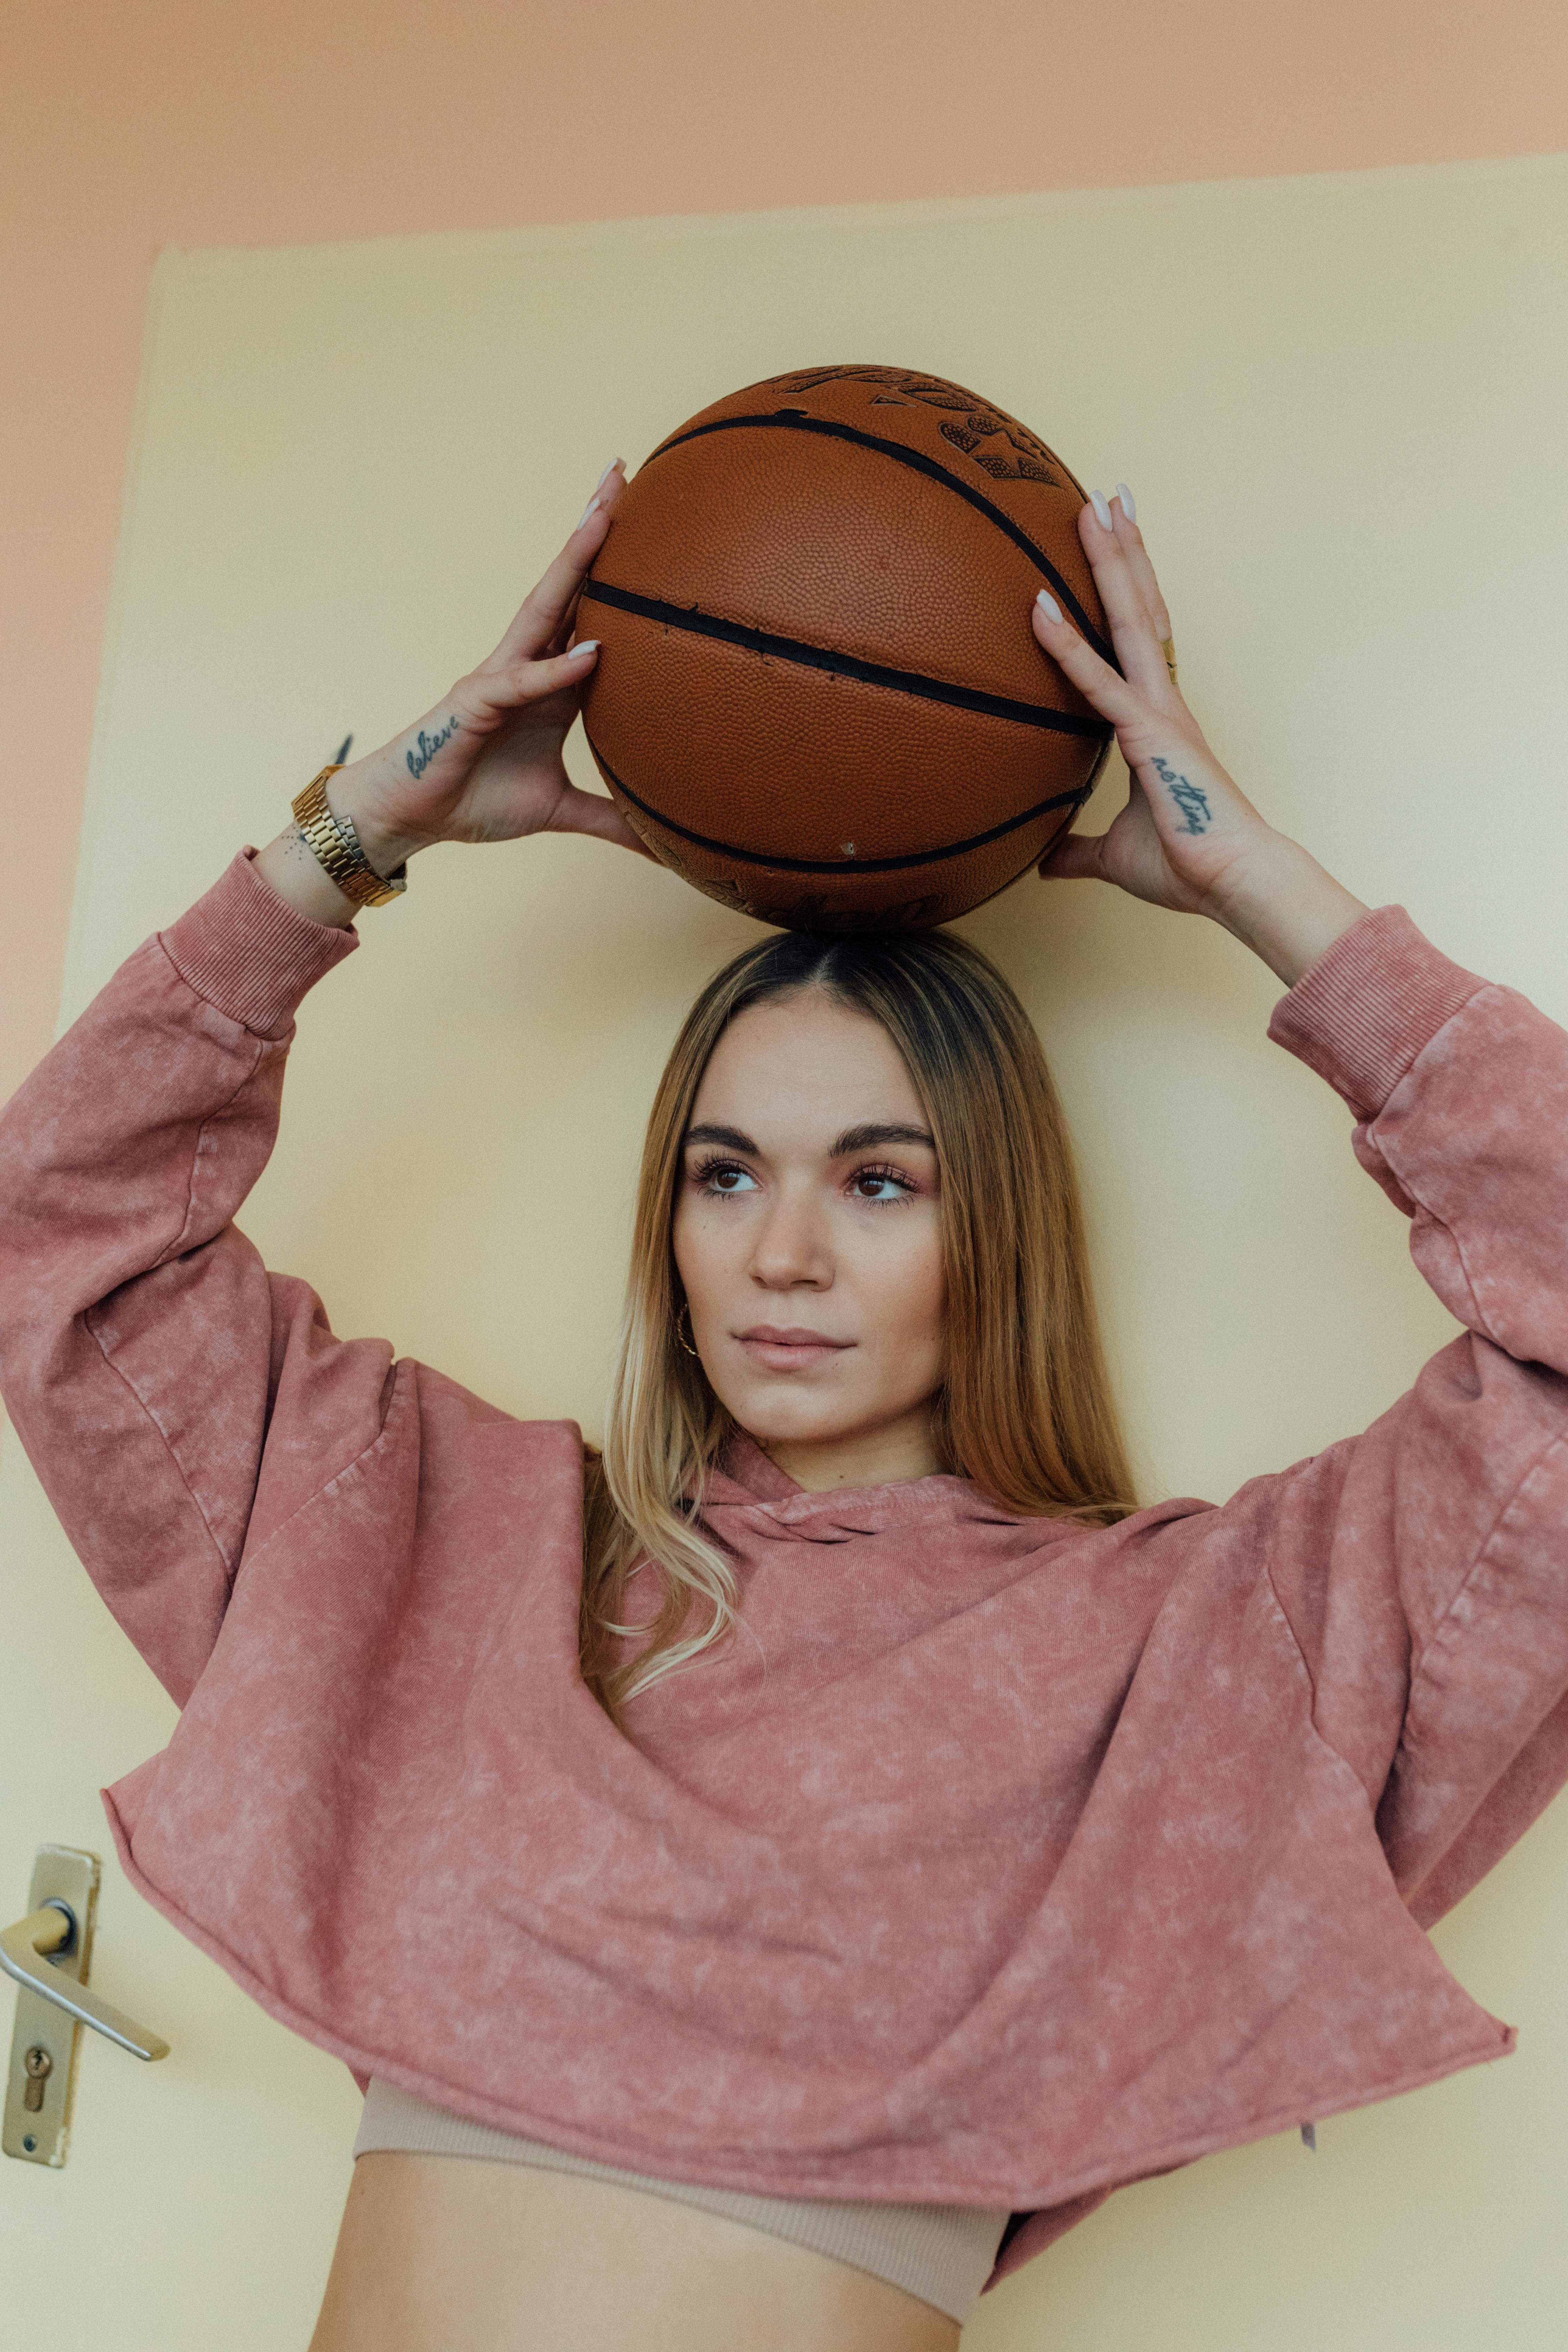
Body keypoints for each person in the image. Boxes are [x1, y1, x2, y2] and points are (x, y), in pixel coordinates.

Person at [2, 468, 1566, 2352]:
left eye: (882, 1181)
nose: (785, 1255)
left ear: (1001, 1226)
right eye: (728, 1174)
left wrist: (1259, 884)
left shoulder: (1192, 1651)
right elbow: (63, 1238)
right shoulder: (436, 1539)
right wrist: (350, 836)